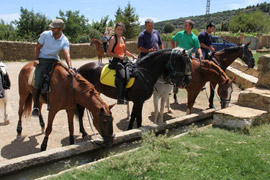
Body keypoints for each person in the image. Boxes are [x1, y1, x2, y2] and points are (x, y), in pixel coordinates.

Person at [32, 19, 75, 116]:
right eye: (51, 27)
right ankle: (35, 105)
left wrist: (70, 67)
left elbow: (67, 54)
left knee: (64, 77)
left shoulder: (64, 40)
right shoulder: (45, 35)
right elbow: (38, 47)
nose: (51, 29)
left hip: (55, 59)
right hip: (43, 58)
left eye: (54, 28)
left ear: (60, 29)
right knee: (37, 80)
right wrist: (36, 59)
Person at [107, 22, 136, 105]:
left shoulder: (123, 38)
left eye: (121, 29)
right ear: (116, 29)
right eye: (118, 29)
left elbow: (124, 51)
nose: (119, 31)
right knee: (122, 76)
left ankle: (128, 94)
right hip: (116, 61)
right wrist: (119, 56)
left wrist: (132, 55)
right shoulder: (113, 38)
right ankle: (120, 98)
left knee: (132, 73)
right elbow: (109, 52)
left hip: (124, 60)